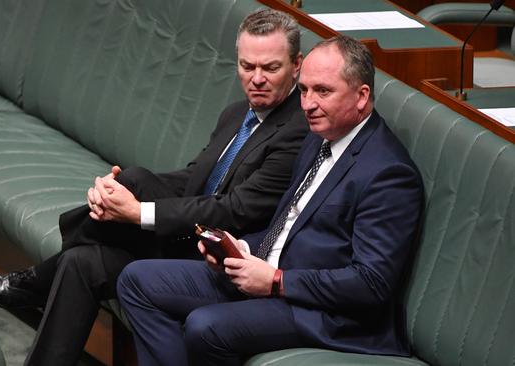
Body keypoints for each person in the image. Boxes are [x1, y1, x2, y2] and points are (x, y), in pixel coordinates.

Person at [0, 8, 309, 365]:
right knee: (84, 255)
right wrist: (120, 192)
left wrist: (138, 211)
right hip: (183, 235)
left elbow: (235, 209)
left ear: (296, 65)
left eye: (270, 68)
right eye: (246, 66)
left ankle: (36, 281)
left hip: (217, 258)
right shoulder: (238, 113)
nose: (256, 78)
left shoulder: (298, 130)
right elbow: (193, 178)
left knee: (129, 192)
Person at [117, 35, 425, 366]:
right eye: (304, 90)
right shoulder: (317, 138)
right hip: (266, 274)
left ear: (362, 96)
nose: (307, 104)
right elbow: (289, 225)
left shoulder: (388, 173)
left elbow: (371, 283)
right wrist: (242, 250)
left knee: (205, 326)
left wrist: (277, 282)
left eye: (322, 91)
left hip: (324, 312)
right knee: (136, 280)